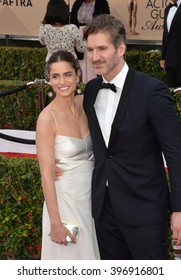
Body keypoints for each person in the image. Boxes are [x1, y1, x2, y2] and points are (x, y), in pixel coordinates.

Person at [81, 14, 181, 259]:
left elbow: (176, 154)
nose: (94, 57)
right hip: (103, 210)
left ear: (121, 48)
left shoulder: (152, 91)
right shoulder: (91, 90)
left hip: (144, 210)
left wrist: (179, 210)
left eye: (102, 48)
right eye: (91, 49)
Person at [36, 50, 100, 260]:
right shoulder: (47, 119)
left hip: (92, 197)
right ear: (49, 80)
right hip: (65, 202)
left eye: (67, 74)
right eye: (55, 76)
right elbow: (46, 175)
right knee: (70, 260)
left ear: (78, 75)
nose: (62, 81)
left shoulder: (85, 104)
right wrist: (55, 223)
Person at [39, 0, 85, 80]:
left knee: (53, 90)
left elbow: (42, 42)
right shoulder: (72, 28)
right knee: (75, 90)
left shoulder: (44, 28)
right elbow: (81, 48)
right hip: (71, 64)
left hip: (51, 64)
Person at [70, 0, 110, 83]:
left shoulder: (102, 3)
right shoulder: (77, 3)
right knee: (81, 66)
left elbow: (107, 22)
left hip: (95, 38)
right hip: (79, 39)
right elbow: (72, 23)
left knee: (95, 61)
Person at [160, 0, 181, 87]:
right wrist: (163, 57)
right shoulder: (168, 9)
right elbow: (166, 34)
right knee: (171, 93)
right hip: (170, 60)